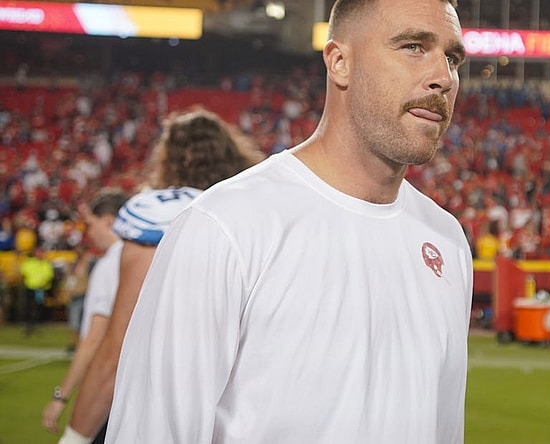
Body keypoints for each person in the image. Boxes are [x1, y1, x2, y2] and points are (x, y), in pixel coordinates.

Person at [107, 0, 472, 442]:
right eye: (415, 46)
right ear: (340, 62)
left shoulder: (447, 241)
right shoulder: (224, 227)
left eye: (452, 58)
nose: (444, 77)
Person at [57, 107, 262, 444]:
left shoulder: (158, 221)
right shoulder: (257, 212)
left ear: (175, 157)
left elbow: (116, 350)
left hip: (171, 419)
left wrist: (75, 437)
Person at [42, 188, 128, 437]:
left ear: (109, 221)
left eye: (91, 224)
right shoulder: (143, 259)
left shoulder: (111, 264)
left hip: (108, 388)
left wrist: (61, 395)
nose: (89, 232)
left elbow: (94, 339)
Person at [19, 246, 55, 336]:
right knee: (28, 307)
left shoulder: (46, 263)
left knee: (39, 308)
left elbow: (49, 276)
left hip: (41, 289)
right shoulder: (29, 263)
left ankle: (38, 325)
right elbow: (23, 273)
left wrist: (43, 283)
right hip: (30, 288)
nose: (40, 254)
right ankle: (28, 325)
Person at [63, 245, 92, 352]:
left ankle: (79, 344)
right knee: (75, 321)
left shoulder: (88, 263)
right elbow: (69, 279)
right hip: (74, 296)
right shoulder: (74, 264)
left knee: (82, 321)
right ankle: (75, 343)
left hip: (84, 294)